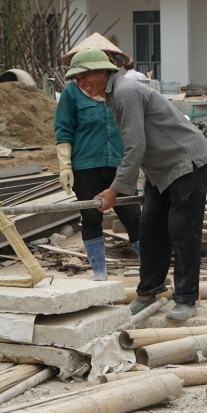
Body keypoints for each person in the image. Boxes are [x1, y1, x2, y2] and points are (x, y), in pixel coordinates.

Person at [67, 49, 207, 321]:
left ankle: (186, 298)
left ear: (103, 71)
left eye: (85, 75)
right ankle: (149, 291)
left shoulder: (125, 92)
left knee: (183, 229)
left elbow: (135, 146)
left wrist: (114, 189)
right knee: (151, 228)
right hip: (161, 169)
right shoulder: (112, 97)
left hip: (186, 160)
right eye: (76, 79)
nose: (81, 83)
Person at [54, 73, 142, 281]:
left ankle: (151, 271)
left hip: (121, 165)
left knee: (134, 217)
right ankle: (99, 274)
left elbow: (137, 129)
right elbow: (63, 128)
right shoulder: (72, 92)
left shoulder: (122, 91)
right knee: (92, 217)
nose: (83, 79)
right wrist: (65, 164)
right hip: (86, 166)